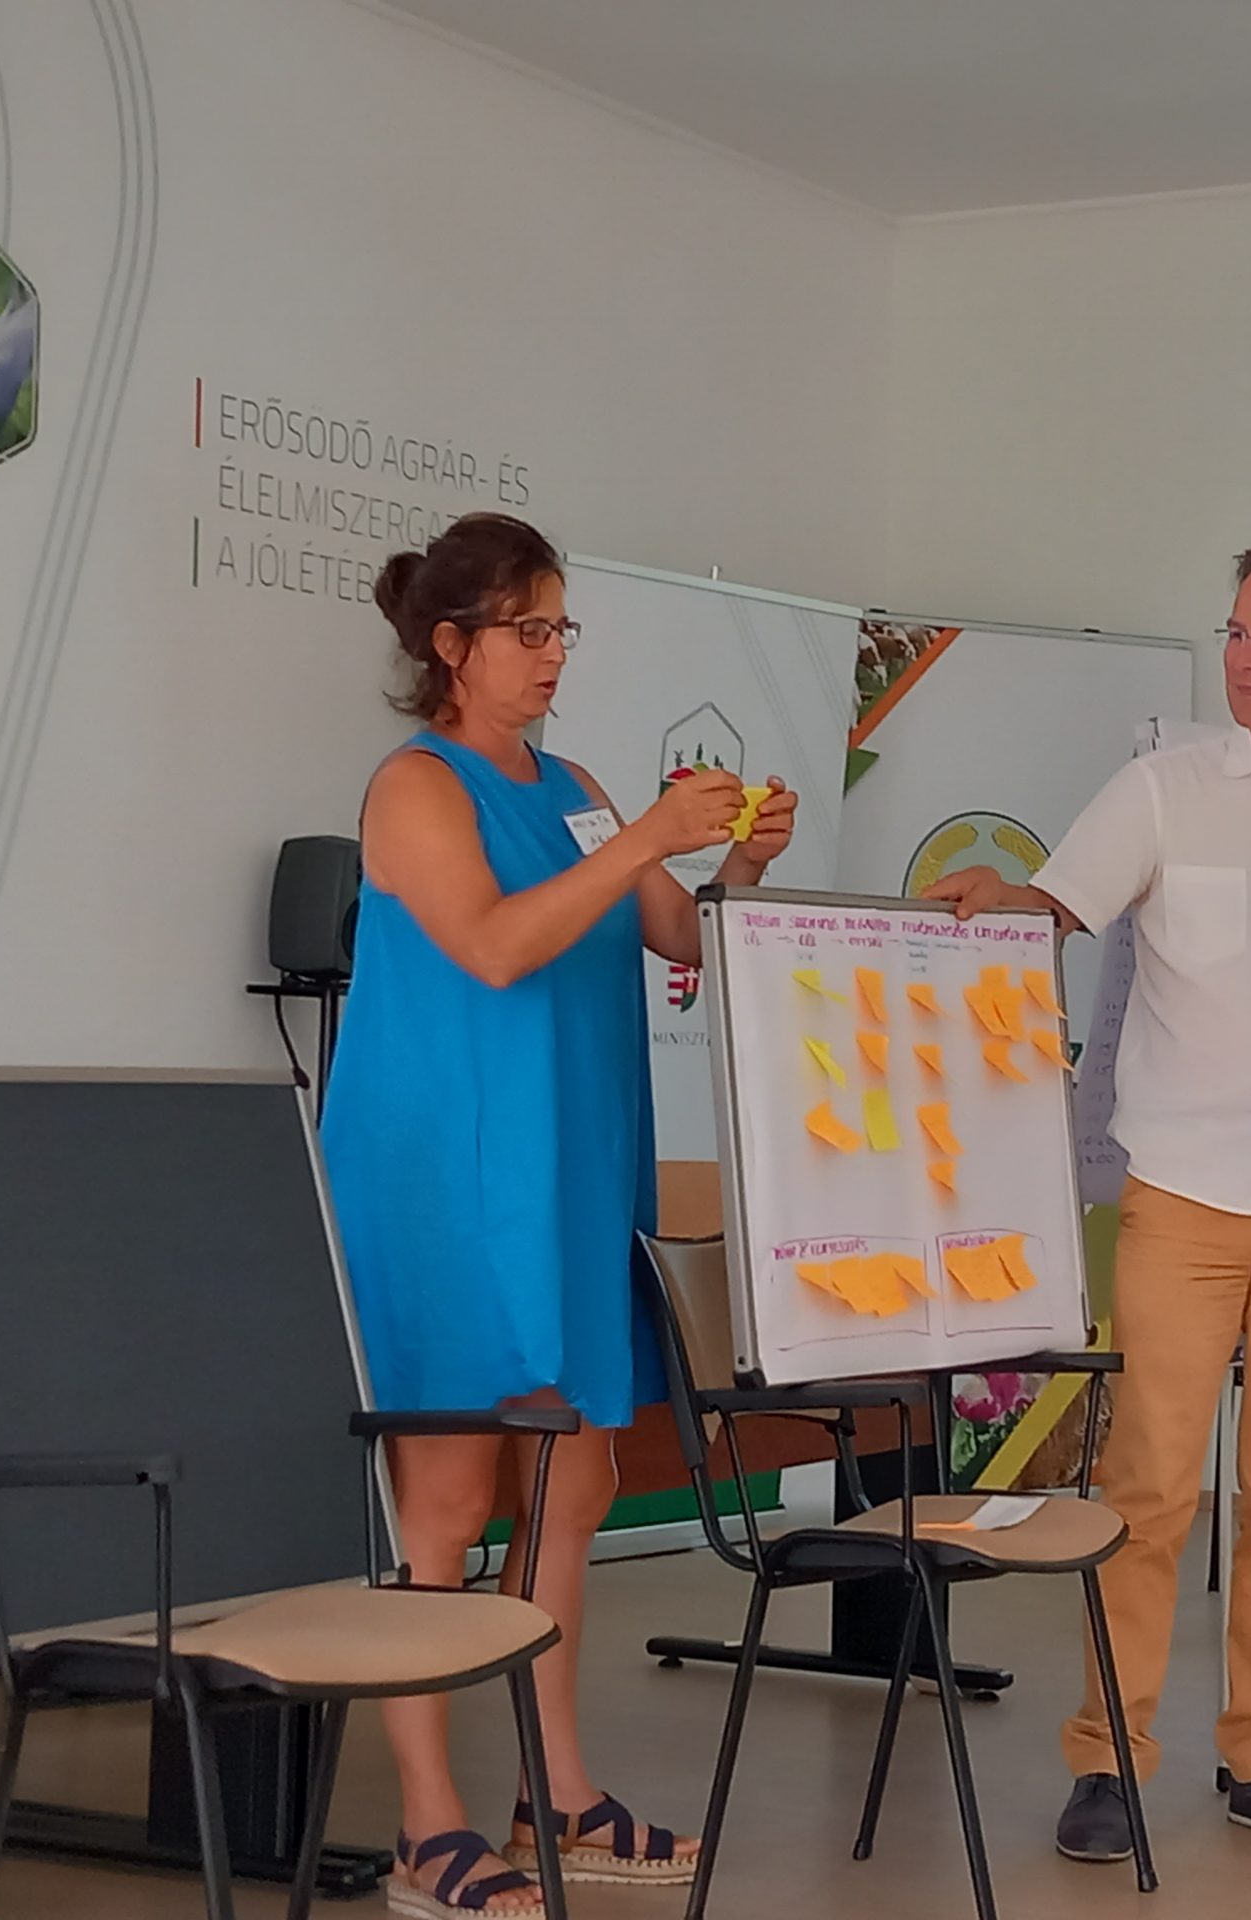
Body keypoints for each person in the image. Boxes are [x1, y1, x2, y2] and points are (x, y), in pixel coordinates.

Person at [927, 540, 1251, 1863]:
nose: (1243, 656)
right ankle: (1108, 1759)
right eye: (1235, 631)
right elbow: (1055, 904)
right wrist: (1002, 904)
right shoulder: (1161, 792)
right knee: (1149, 1485)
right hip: (1186, 1198)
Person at [320, 512, 797, 1917]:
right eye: (526, 630)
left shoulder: (574, 784)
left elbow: (677, 931)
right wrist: (644, 833)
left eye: (559, 628)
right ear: (451, 645)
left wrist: (736, 865)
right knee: (449, 1498)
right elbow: (491, 943)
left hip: (575, 1173)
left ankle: (557, 1793)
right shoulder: (414, 787)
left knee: (576, 1485)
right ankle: (427, 1827)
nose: (550, 655)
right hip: (451, 1183)